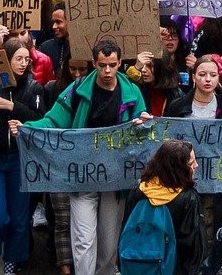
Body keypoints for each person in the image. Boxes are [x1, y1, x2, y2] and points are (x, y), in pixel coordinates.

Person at [30, 39, 150, 275]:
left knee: (107, 245)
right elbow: (53, 121)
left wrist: (142, 124)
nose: (107, 71)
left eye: (113, 65)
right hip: (83, 177)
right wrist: (27, 127)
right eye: (102, 65)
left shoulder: (133, 93)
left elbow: (143, 136)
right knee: (84, 241)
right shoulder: (77, 89)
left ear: (119, 63)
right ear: (94, 63)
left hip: (114, 181)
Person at [0, 37, 50, 275]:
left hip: (20, 160)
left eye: (27, 59)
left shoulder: (34, 88)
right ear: (5, 59)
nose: (24, 63)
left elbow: (41, 119)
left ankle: (11, 262)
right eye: (18, 59)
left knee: (18, 218)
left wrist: (13, 108)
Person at [123, 139, 207, 275]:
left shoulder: (138, 192)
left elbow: (125, 233)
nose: (196, 165)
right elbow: (193, 250)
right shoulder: (188, 198)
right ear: (179, 167)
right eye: (191, 162)